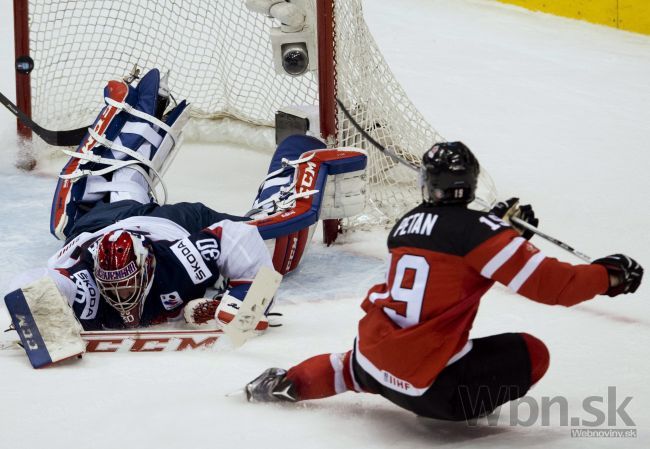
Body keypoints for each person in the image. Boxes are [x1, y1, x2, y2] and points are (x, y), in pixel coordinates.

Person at [243, 141, 644, 421]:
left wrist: (501, 233)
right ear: (469, 183)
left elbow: (451, 258)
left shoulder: (404, 226)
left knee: (355, 365)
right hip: (435, 390)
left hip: (373, 353)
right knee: (533, 353)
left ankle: (288, 382)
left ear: (427, 184)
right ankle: (453, 401)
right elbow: (552, 286)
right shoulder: (480, 233)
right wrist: (609, 276)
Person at [6, 68, 367, 331]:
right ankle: (142, 112)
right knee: (93, 207)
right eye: (113, 286)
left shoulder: (181, 257)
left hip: (175, 225)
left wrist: (245, 300)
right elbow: (32, 286)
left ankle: (298, 151)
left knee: (278, 247)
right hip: (99, 228)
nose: (120, 296)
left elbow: (236, 238)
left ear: (147, 268)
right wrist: (37, 320)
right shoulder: (84, 278)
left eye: (126, 284)